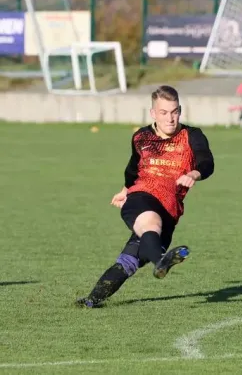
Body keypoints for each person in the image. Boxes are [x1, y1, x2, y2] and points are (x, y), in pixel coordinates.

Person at [76, 86, 215, 308]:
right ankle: (160, 260)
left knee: (128, 262)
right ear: (153, 113)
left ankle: (91, 300)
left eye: (175, 111)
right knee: (150, 221)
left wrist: (193, 173)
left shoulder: (192, 136)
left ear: (180, 110)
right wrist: (124, 191)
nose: (170, 118)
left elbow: (206, 161)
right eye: (163, 112)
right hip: (141, 196)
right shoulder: (141, 137)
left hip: (170, 209)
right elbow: (133, 169)